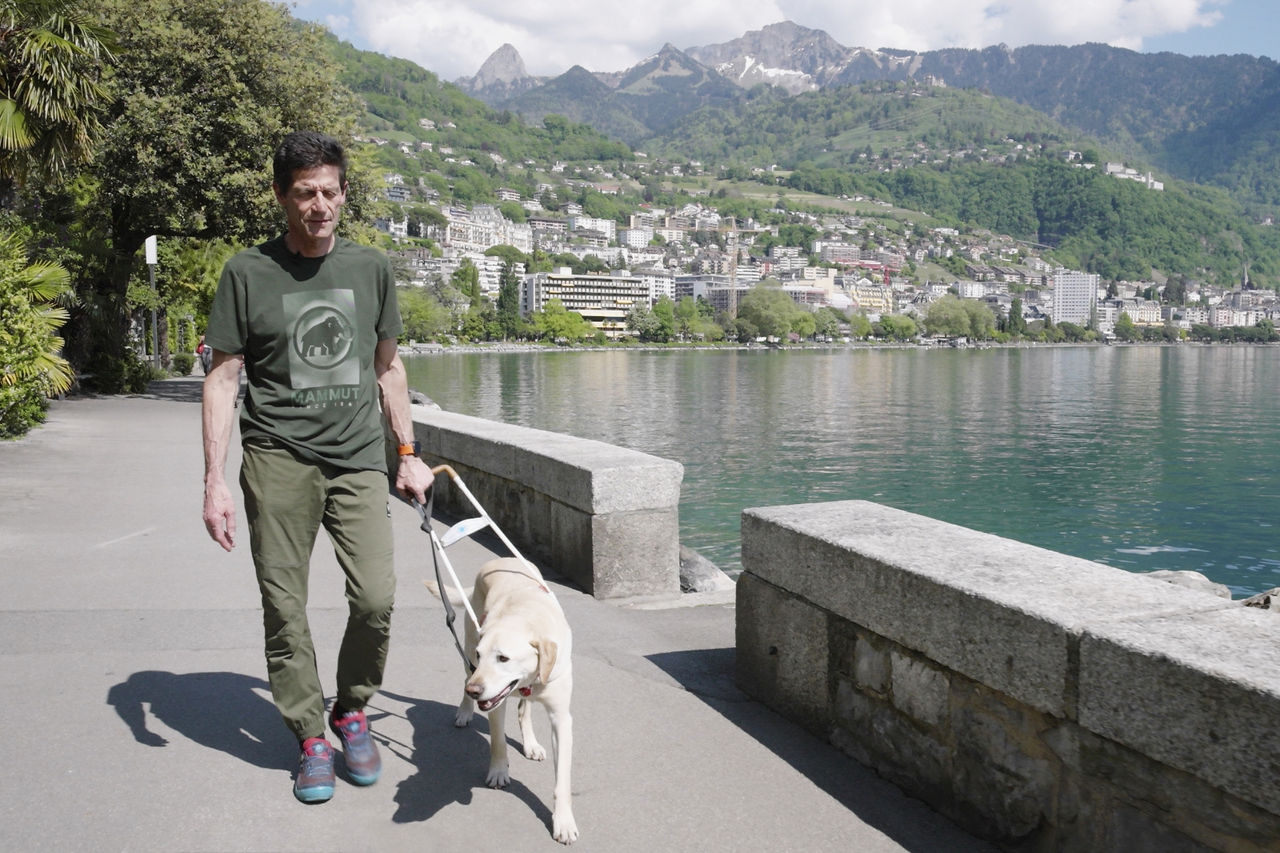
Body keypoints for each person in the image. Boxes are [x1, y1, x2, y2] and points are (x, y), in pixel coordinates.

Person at [201, 130, 434, 804]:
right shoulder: (248, 272)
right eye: (306, 193)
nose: (320, 205)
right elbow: (223, 377)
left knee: (376, 597)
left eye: (330, 192)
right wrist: (214, 480)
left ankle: (351, 708)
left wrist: (408, 454)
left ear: (344, 193)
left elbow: (389, 368)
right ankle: (308, 734)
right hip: (277, 457)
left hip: (358, 458)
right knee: (284, 605)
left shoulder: (371, 267)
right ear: (281, 196)